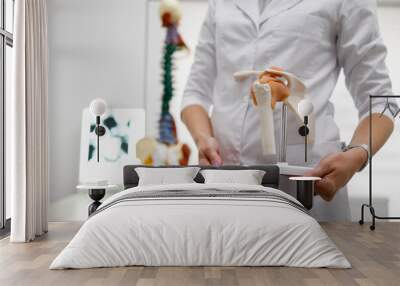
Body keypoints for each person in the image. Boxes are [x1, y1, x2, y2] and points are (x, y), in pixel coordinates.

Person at [180, 0, 397, 221]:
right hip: (223, 183)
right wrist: (202, 137)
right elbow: (195, 92)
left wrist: (357, 154)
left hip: (305, 184)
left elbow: (380, 100)